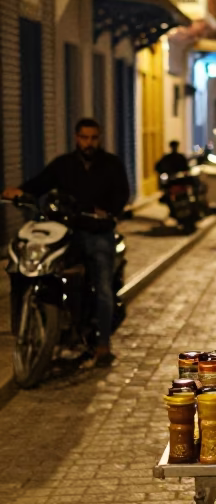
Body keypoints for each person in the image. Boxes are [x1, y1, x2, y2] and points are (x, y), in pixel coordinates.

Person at [2, 117, 130, 367]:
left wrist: (108, 211)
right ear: (76, 138)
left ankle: (103, 345)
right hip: (65, 230)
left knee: (102, 285)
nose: (89, 143)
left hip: (96, 232)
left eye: (93, 138)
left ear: (99, 138)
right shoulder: (64, 165)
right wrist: (19, 192)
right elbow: (40, 184)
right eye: (84, 138)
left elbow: (121, 195)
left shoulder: (111, 165)